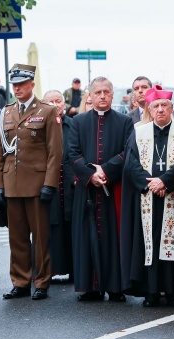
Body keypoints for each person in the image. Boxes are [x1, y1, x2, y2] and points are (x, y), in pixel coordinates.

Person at [0, 64, 62, 300]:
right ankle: (20, 281)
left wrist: (50, 183)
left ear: (32, 84)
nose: (18, 88)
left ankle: (41, 281)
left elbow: (55, 152)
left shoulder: (47, 111)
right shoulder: (7, 112)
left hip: (36, 184)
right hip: (12, 183)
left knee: (40, 237)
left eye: (22, 84)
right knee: (17, 237)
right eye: (14, 85)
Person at [69, 76, 133, 301]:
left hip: (112, 189)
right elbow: (72, 153)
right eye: (98, 92)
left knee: (113, 237)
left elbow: (128, 152)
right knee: (86, 238)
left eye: (107, 92)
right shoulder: (78, 121)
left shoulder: (125, 121)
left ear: (112, 94)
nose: (103, 96)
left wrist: (105, 170)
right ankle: (90, 287)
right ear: (91, 95)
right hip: (86, 190)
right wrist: (90, 175)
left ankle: (115, 287)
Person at [120, 85, 174, 307]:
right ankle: (152, 291)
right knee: (150, 243)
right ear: (149, 108)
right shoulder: (140, 132)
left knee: (173, 242)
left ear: (171, 107)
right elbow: (131, 164)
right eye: (156, 106)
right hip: (147, 197)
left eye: (164, 106)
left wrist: (166, 181)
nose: (160, 110)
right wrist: (151, 184)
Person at [42, 90, 74, 281]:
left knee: (71, 227)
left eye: (58, 101)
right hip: (48, 184)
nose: (56, 105)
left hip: (69, 184)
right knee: (50, 227)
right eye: (51, 102)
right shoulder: (39, 126)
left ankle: (73, 269)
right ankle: (49, 269)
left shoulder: (74, 125)